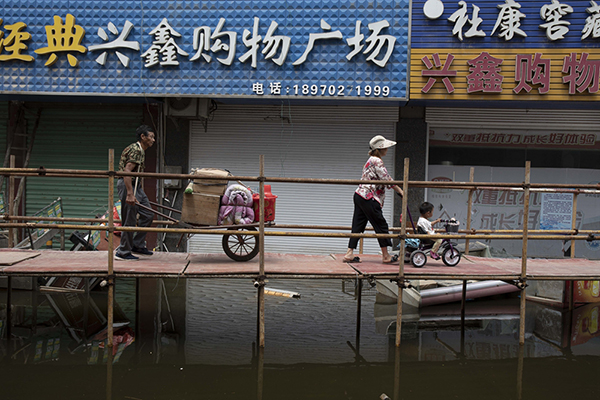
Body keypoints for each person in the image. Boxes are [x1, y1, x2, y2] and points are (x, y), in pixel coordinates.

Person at [343, 135, 404, 264]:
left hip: (360, 195)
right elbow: (386, 178)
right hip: (369, 197)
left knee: (358, 224)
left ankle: (349, 253)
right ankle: (386, 255)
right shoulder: (377, 161)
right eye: (385, 147)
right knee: (381, 224)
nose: (387, 149)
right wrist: (400, 190)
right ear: (380, 149)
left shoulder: (370, 160)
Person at [115, 125, 156, 261]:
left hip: (136, 186)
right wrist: (130, 194)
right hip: (128, 185)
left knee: (148, 214)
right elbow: (127, 171)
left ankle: (137, 245)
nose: (153, 140)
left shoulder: (141, 150)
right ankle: (123, 251)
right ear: (142, 137)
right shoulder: (135, 149)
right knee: (130, 219)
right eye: (151, 136)